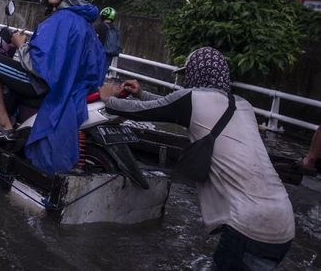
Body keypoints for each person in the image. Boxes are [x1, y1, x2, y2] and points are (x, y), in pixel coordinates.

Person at [99, 47, 294, 270]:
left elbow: (146, 111)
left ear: (195, 74)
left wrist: (109, 99)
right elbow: (173, 107)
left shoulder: (193, 99)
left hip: (249, 226)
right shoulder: (242, 105)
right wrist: (141, 93)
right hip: (283, 224)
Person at [0, 0, 107, 174]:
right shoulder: (82, 21)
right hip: (66, 87)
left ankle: (4, 126)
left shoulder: (62, 19)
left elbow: (37, 65)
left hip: (43, 84)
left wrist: (20, 44)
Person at [94, 7, 122, 75]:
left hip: (99, 53)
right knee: (102, 73)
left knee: (94, 73)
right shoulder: (115, 28)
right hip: (110, 54)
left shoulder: (100, 26)